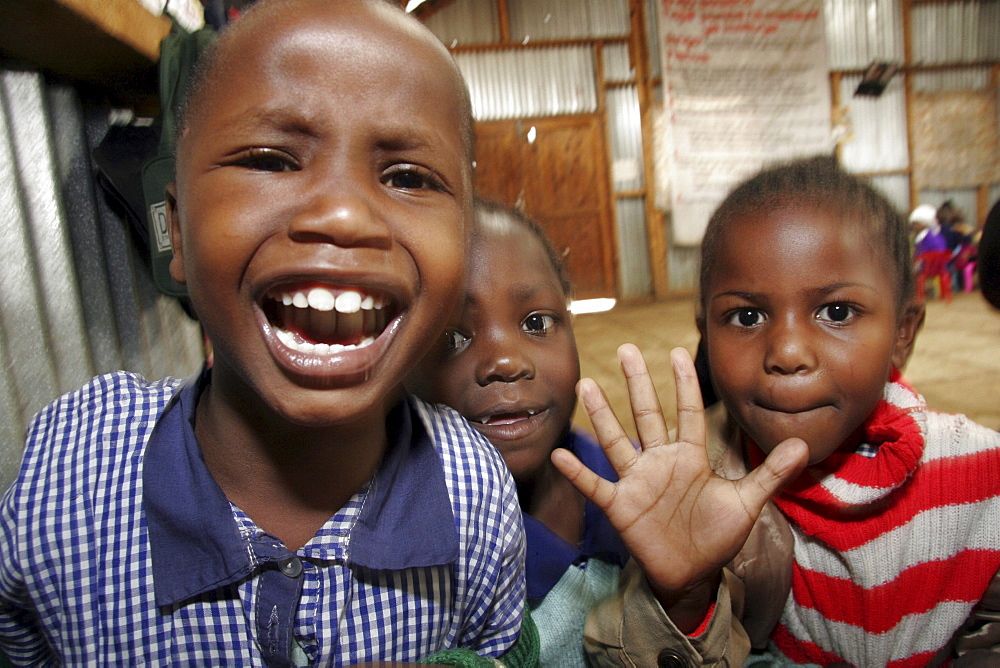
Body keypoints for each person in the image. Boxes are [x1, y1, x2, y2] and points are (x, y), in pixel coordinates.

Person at [0, 1, 531, 664]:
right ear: (178, 233)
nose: (342, 215)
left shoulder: (474, 490)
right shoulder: (71, 475)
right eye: (270, 160)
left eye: (408, 177)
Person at [556, 156, 1000, 666]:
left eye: (836, 312)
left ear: (903, 332)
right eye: (746, 316)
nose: (787, 351)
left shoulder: (982, 479)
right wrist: (681, 596)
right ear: (706, 331)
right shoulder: (697, 486)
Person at [409, 200, 630, 666]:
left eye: (537, 323)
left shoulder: (637, 479)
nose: (506, 361)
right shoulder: (412, 577)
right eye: (452, 338)